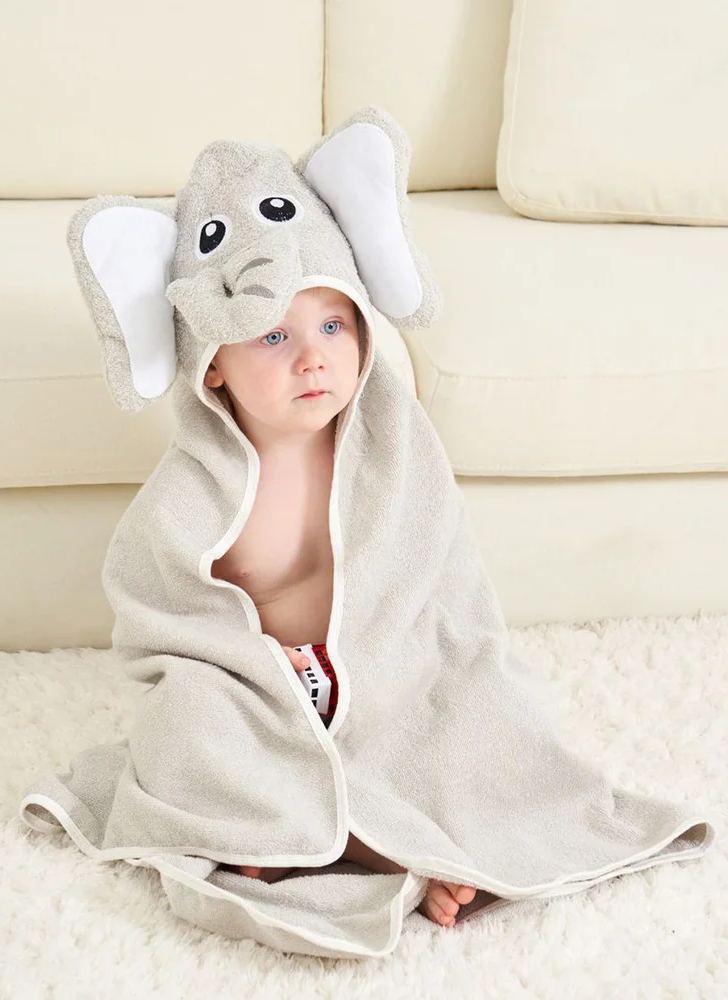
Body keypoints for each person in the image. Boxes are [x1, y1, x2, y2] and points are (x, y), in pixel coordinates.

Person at [202, 284, 478, 928]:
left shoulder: (391, 454)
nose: (312, 359)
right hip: (264, 695)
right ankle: (355, 842)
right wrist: (256, 667)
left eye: (333, 327)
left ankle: (339, 834)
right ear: (211, 363)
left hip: (377, 669)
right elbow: (168, 614)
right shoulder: (200, 487)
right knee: (191, 717)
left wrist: (391, 656)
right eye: (273, 336)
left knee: (463, 712)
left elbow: (434, 575)